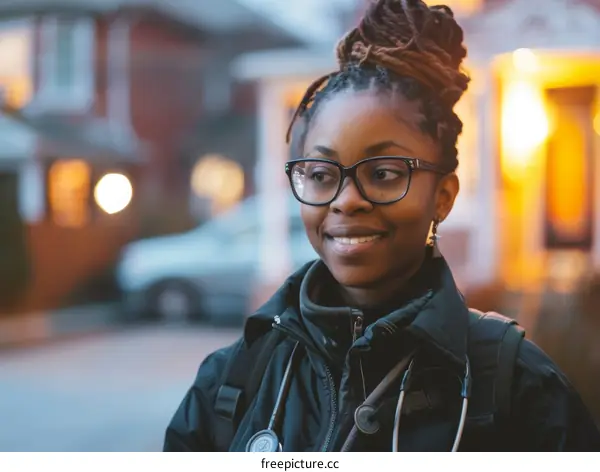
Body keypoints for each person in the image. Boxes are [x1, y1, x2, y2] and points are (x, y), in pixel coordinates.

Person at [163, 0, 600, 452]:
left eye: (384, 173)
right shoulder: (233, 382)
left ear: (444, 197)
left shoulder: (520, 388)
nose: (346, 200)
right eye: (320, 174)